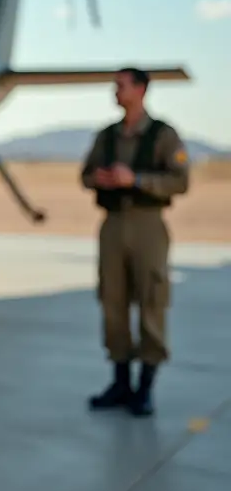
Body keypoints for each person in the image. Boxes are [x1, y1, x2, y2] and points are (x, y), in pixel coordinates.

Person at [80, 67, 190, 417]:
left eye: (121, 85)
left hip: (147, 226)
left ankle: (145, 387)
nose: (115, 90)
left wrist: (137, 179)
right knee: (112, 301)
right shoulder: (107, 136)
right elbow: (84, 174)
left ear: (141, 90)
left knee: (151, 299)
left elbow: (180, 181)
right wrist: (99, 179)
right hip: (112, 225)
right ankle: (120, 381)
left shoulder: (163, 134)